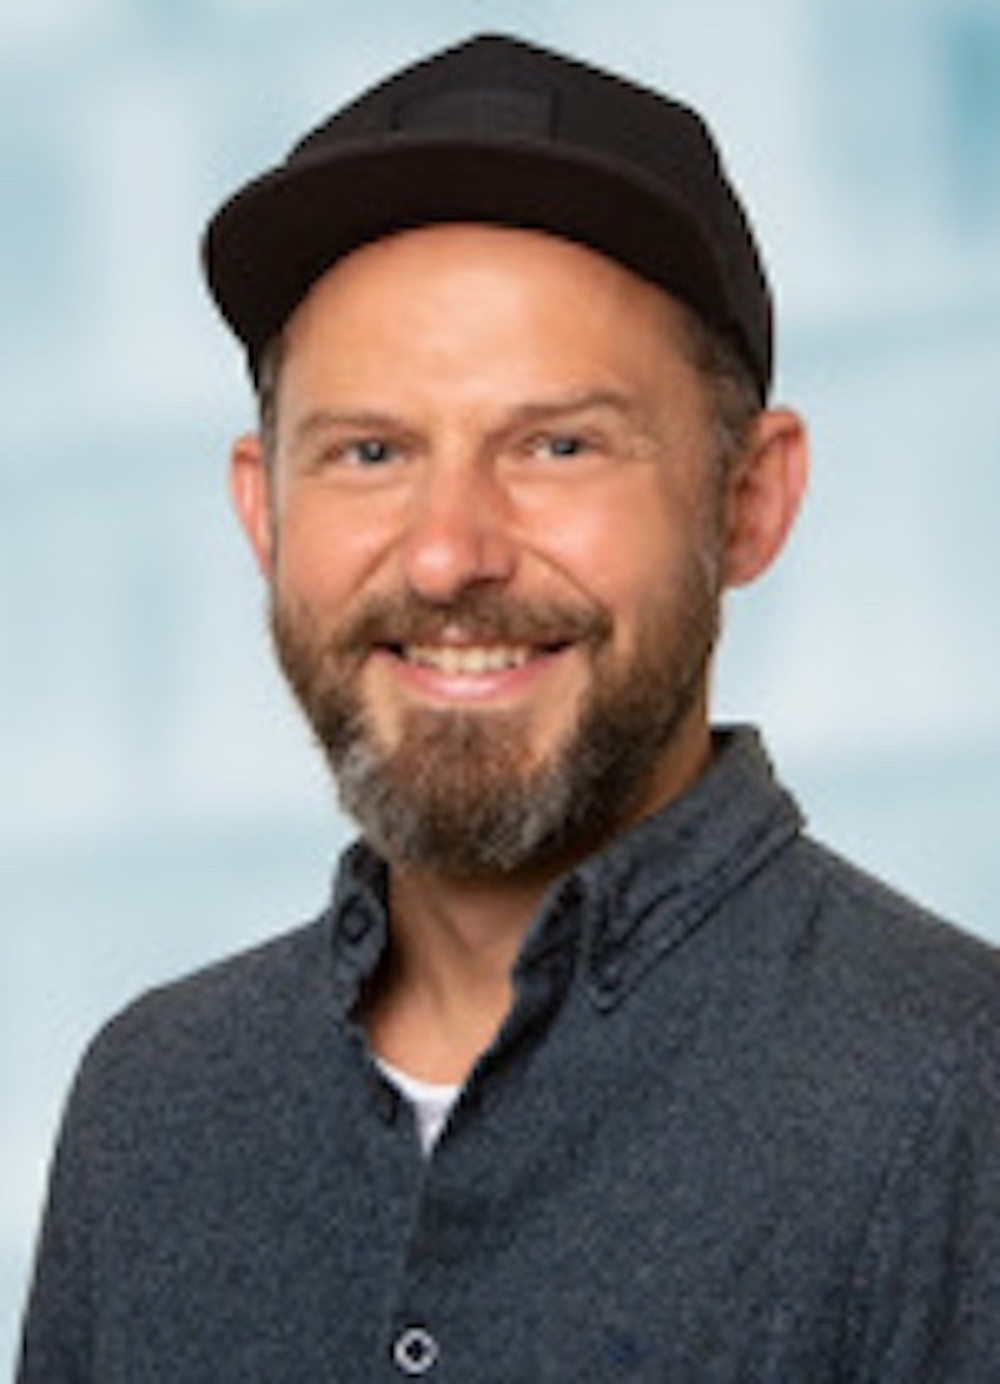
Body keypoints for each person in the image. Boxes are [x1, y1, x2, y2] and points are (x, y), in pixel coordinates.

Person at [18, 33, 1000, 1382]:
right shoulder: (150, 1108)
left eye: (558, 445)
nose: (447, 554)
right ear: (263, 509)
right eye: (370, 451)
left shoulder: (957, 1096)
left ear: (750, 500)